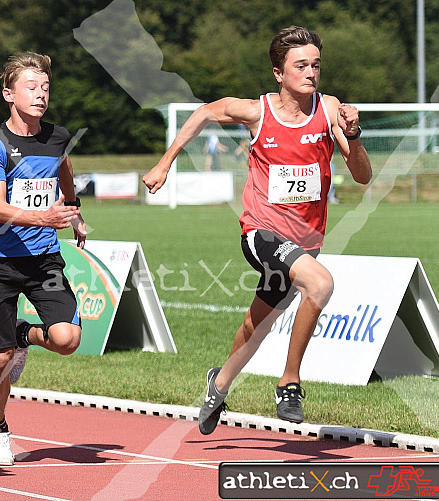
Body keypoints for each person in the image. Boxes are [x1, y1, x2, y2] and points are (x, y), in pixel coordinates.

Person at [143, 26, 371, 432]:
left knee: (258, 322)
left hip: (306, 239)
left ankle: (219, 383)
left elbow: (363, 176)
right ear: (278, 73)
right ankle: (289, 383)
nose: (311, 72)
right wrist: (165, 162)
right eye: (300, 65)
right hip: (261, 232)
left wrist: (353, 134)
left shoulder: (330, 109)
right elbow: (202, 113)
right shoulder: (255, 111)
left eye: (316, 64)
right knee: (319, 285)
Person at [0, 52, 87, 466]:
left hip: (43, 260)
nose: (40, 95)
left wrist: (73, 208)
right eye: (30, 87)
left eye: (45, 88)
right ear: (9, 94)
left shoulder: (57, 137)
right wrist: (47, 216)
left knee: (67, 339)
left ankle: (25, 336)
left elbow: (65, 167)